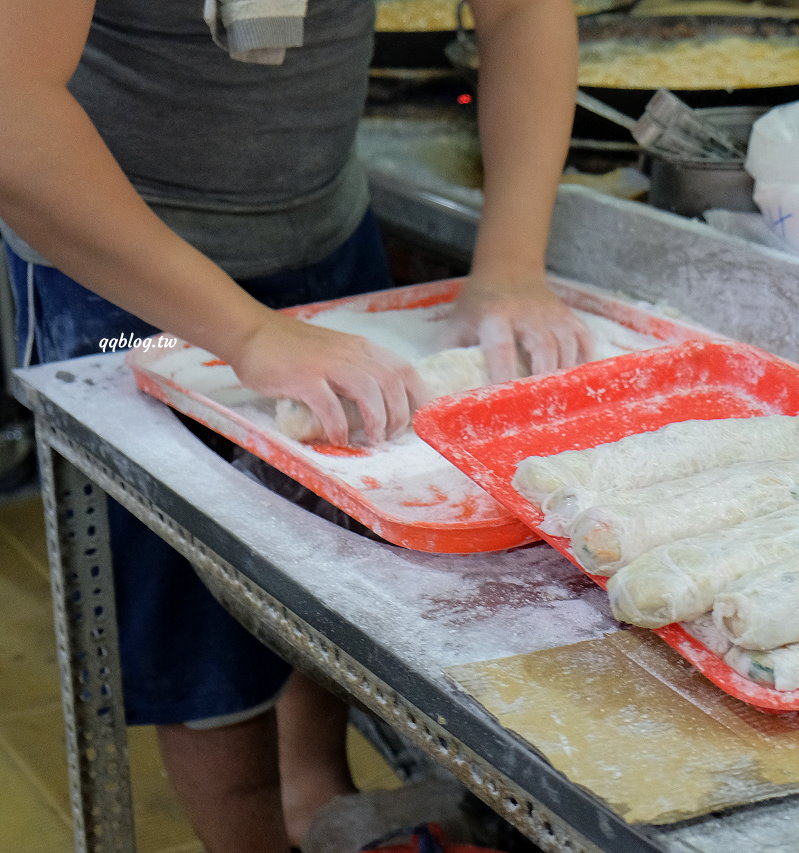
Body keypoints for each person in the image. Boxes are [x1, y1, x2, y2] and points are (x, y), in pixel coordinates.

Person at [0, 0, 589, 850]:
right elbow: (13, 110)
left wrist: (508, 264)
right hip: (124, 284)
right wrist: (243, 333)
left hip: (318, 232)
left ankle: (315, 795)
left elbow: (523, 11)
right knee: (201, 627)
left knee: (328, 552)